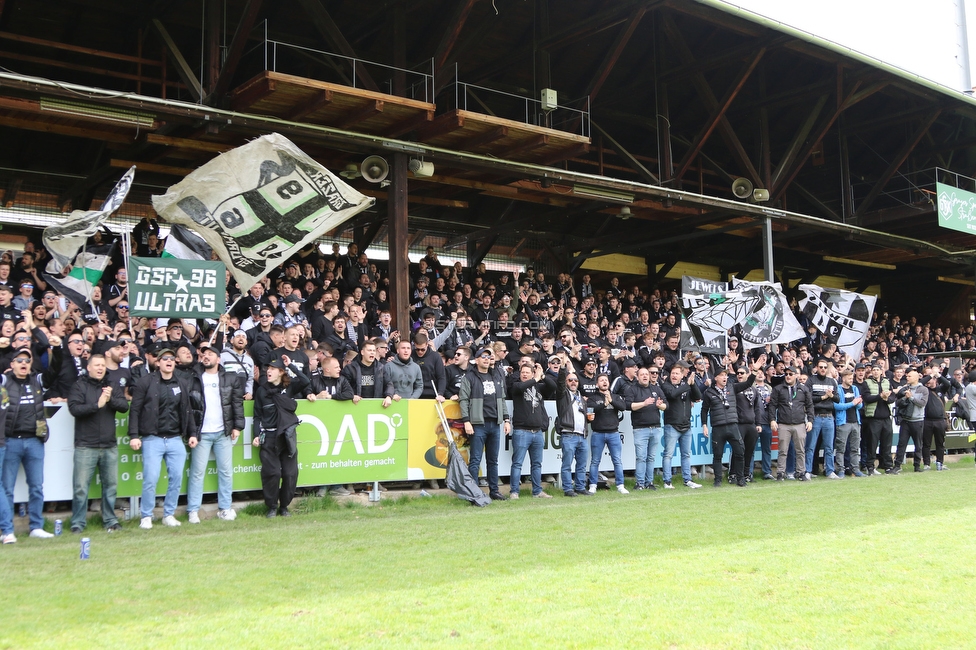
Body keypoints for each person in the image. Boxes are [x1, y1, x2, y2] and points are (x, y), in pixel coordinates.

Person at [129, 347, 193, 529]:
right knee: (151, 478)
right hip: (152, 438)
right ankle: (146, 516)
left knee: (176, 478)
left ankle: (169, 514)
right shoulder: (145, 382)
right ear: (157, 362)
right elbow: (135, 410)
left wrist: (192, 433)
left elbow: (186, 410)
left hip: (175, 439)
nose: (169, 361)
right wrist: (134, 435)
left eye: (172, 358)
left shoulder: (181, 383)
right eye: (164, 358)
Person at [1, 345, 60, 539]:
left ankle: (36, 527)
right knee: (6, 488)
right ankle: (7, 530)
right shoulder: (4, 381)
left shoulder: (37, 381)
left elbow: (54, 371)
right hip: (10, 441)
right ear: (11, 365)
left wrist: (57, 348)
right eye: (20, 361)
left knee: (36, 486)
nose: (24, 364)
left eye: (27, 361)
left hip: (35, 441)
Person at [67, 354, 129, 533]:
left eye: (103, 365)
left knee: (110, 486)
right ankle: (78, 523)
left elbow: (124, 407)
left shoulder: (111, 386)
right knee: (80, 487)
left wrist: (110, 400)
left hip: (109, 445)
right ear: (89, 367)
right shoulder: (79, 385)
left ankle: (110, 520)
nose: (101, 368)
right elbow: (74, 409)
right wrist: (97, 404)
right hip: (85, 445)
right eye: (97, 365)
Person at [186, 344, 245, 523]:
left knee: (226, 472)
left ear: (218, 359)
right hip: (201, 433)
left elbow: (236, 404)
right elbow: (189, 407)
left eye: (211, 354)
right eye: (204, 354)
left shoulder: (230, 378)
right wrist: (191, 432)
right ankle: (193, 510)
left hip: (223, 432)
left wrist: (237, 426)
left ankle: (225, 508)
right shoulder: (194, 378)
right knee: (197, 472)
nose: (206, 357)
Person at [253, 356, 310, 517]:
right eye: (267, 369)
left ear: (280, 372)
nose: (268, 372)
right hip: (270, 437)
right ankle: (271, 506)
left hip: (287, 437)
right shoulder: (262, 391)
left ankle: (284, 506)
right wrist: (256, 434)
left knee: (289, 473)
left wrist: (291, 364)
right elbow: (257, 416)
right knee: (272, 473)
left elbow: (305, 381)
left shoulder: (289, 387)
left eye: (272, 369)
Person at [459, 346, 511, 501]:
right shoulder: (469, 378)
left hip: (495, 424)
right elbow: (463, 400)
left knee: (493, 460)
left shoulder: (496, 377)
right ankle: (474, 493)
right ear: (476, 360)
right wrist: (466, 421)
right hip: (478, 424)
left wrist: (507, 419)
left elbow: (501, 400)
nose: (487, 359)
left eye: (489, 357)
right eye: (484, 357)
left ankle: (494, 491)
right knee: (475, 460)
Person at [701, 366, 756, 487]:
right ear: (716, 378)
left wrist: (755, 371)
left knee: (740, 452)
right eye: (722, 375)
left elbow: (748, 383)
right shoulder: (709, 392)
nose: (725, 377)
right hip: (718, 427)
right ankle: (718, 480)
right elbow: (704, 410)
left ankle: (740, 479)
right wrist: (704, 425)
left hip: (732, 425)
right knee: (717, 455)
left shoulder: (732, 387)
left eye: (726, 375)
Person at [507, 361, 554, 499]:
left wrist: (543, 377)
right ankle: (514, 492)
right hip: (522, 431)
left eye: (528, 372)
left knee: (537, 464)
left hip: (537, 432)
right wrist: (535, 378)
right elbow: (521, 387)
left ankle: (537, 491)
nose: (525, 374)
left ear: (533, 373)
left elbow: (554, 387)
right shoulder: (516, 386)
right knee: (517, 463)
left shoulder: (539, 387)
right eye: (523, 372)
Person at [661, 361, 702, 489]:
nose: (674, 375)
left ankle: (687, 480)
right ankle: (667, 481)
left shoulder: (686, 385)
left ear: (681, 375)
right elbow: (673, 395)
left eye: (677, 374)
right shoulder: (666, 386)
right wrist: (687, 385)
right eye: (672, 373)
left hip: (686, 426)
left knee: (686, 455)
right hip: (672, 425)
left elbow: (698, 396)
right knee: (668, 454)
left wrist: (693, 384)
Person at [586, 373, 629, 494]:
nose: (604, 382)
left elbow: (623, 407)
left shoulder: (615, 396)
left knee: (617, 460)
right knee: (595, 461)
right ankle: (593, 485)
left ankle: (620, 485)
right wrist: (604, 403)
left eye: (606, 380)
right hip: (598, 433)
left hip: (613, 433)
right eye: (601, 380)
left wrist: (611, 401)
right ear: (597, 384)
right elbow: (591, 409)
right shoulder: (593, 398)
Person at [770, 365, 813, 481]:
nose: (788, 376)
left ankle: (801, 472)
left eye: (790, 374)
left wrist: (810, 421)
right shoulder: (778, 389)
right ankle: (780, 472)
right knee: (782, 450)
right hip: (784, 424)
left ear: (796, 375)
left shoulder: (803, 389)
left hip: (799, 424)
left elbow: (809, 406)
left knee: (800, 450)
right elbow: (772, 405)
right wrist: (772, 419)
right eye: (786, 374)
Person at [627, 366, 666, 490]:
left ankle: (650, 483)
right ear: (637, 377)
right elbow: (628, 406)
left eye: (646, 374)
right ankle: (640, 483)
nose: (645, 376)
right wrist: (644, 403)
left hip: (655, 428)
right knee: (641, 457)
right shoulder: (632, 389)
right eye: (642, 374)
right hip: (640, 429)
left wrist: (660, 405)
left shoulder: (656, 389)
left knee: (651, 457)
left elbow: (666, 405)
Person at [805, 358, 841, 479]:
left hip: (829, 417)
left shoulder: (832, 381)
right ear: (817, 368)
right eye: (821, 367)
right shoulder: (811, 380)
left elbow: (838, 399)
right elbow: (808, 398)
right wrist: (823, 397)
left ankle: (830, 471)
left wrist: (831, 396)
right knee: (811, 446)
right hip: (815, 417)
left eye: (825, 367)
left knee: (829, 447)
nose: (823, 369)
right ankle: (808, 471)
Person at [862, 363, 896, 475]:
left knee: (887, 444)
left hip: (886, 417)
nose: (876, 372)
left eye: (877, 369)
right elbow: (866, 398)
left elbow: (892, 397)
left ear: (881, 371)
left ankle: (888, 466)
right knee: (872, 444)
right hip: (873, 418)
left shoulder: (887, 382)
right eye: (874, 370)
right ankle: (870, 467)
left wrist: (886, 399)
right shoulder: (867, 382)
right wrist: (879, 397)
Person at [832, 369, 865, 479]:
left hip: (855, 422)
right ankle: (840, 469)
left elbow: (859, 406)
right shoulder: (838, 389)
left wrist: (858, 403)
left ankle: (855, 469)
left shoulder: (855, 388)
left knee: (855, 448)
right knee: (841, 448)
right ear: (844, 378)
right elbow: (836, 406)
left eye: (852, 378)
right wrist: (852, 403)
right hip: (843, 422)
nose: (851, 380)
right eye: (849, 378)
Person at [893, 367, 926, 473]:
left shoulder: (923, 389)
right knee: (901, 444)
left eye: (909, 376)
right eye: (906, 376)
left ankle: (917, 466)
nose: (907, 377)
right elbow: (898, 402)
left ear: (916, 378)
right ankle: (897, 466)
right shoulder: (904, 389)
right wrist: (905, 398)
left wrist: (911, 398)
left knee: (918, 445)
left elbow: (922, 404)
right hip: (906, 421)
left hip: (917, 421)